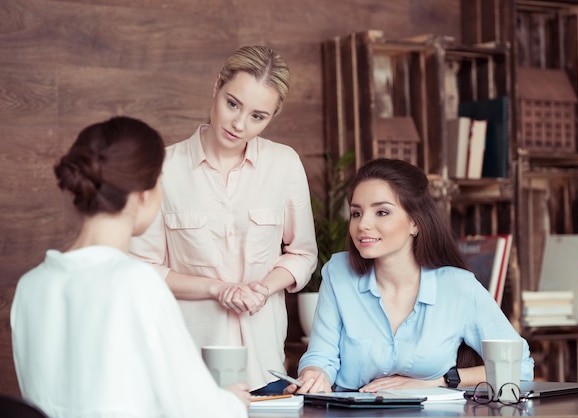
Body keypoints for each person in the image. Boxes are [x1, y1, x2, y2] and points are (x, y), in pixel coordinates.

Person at [11, 116, 249, 418]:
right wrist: (231, 402)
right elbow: (199, 411)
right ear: (143, 195)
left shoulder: (31, 286)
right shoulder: (136, 283)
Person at [129, 45, 318, 393]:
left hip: (264, 368)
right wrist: (217, 289)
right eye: (233, 103)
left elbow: (304, 253)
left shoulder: (285, 165)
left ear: (273, 116)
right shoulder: (163, 169)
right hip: (187, 366)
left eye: (258, 116)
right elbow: (142, 268)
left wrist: (265, 288)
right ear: (217, 86)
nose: (239, 124)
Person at [286, 158, 534, 394]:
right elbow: (322, 355)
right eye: (356, 213)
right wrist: (314, 374)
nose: (362, 225)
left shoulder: (458, 286)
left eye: (382, 212)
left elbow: (518, 367)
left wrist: (439, 382)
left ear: (415, 223)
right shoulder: (338, 272)